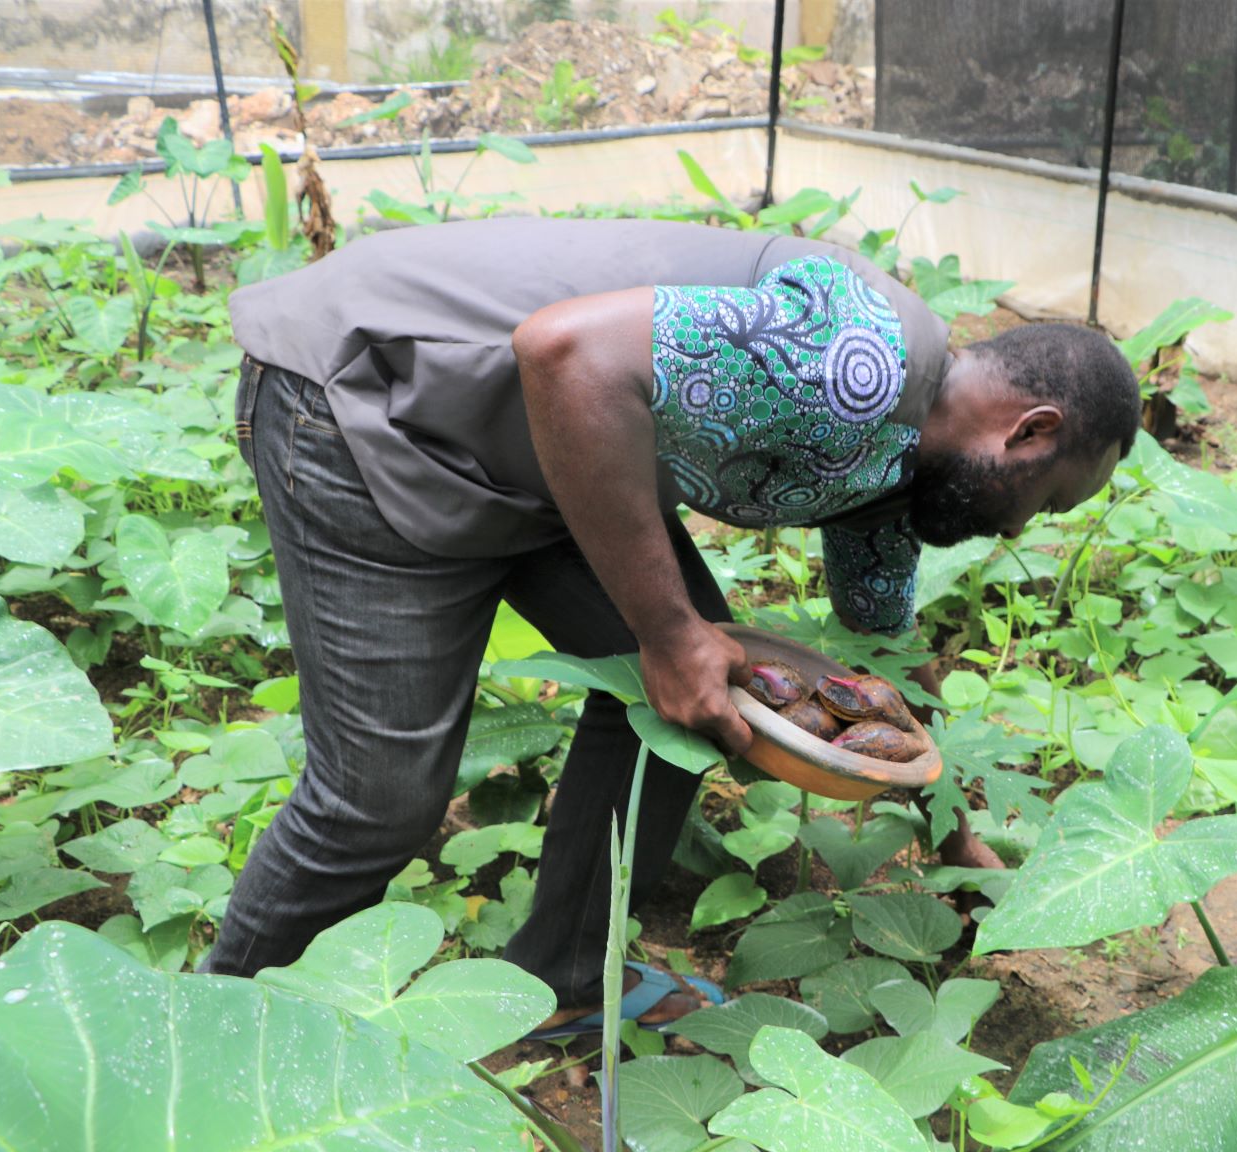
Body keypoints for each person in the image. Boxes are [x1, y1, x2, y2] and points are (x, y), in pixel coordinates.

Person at [206, 216, 1139, 1037]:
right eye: (1048, 502)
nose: (1018, 531)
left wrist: (951, 837)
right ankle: (208, 1029)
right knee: (378, 799)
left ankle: (562, 982)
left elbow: (879, 675)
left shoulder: (894, 471)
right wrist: (667, 631)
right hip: (374, 401)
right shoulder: (862, 364)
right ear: (1028, 431)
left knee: (694, 700)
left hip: (544, 458)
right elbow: (565, 353)